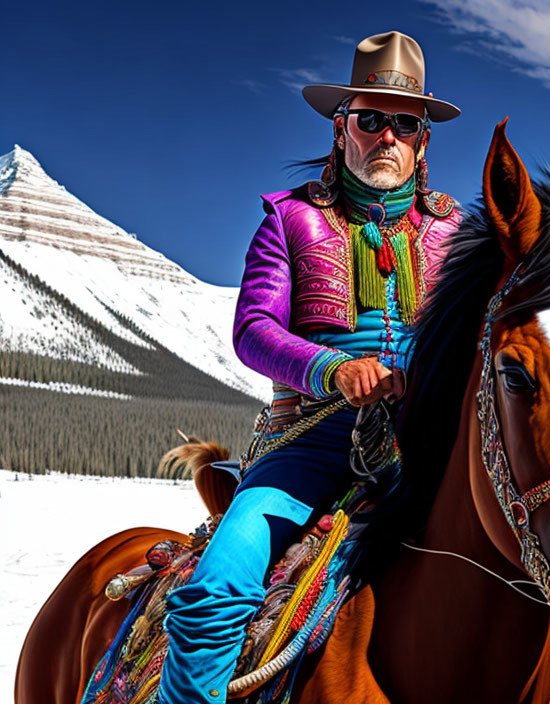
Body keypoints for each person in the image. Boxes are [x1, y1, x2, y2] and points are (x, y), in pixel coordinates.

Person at [156, 30, 462, 704]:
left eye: (404, 123)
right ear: (341, 127)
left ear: (423, 140)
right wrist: (332, 370)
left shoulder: (457, 234)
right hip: (310, 445)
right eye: (370, 118)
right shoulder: (290, 219)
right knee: (214, 590)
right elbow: (254, 331)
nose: (387, 136)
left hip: (430, 447)